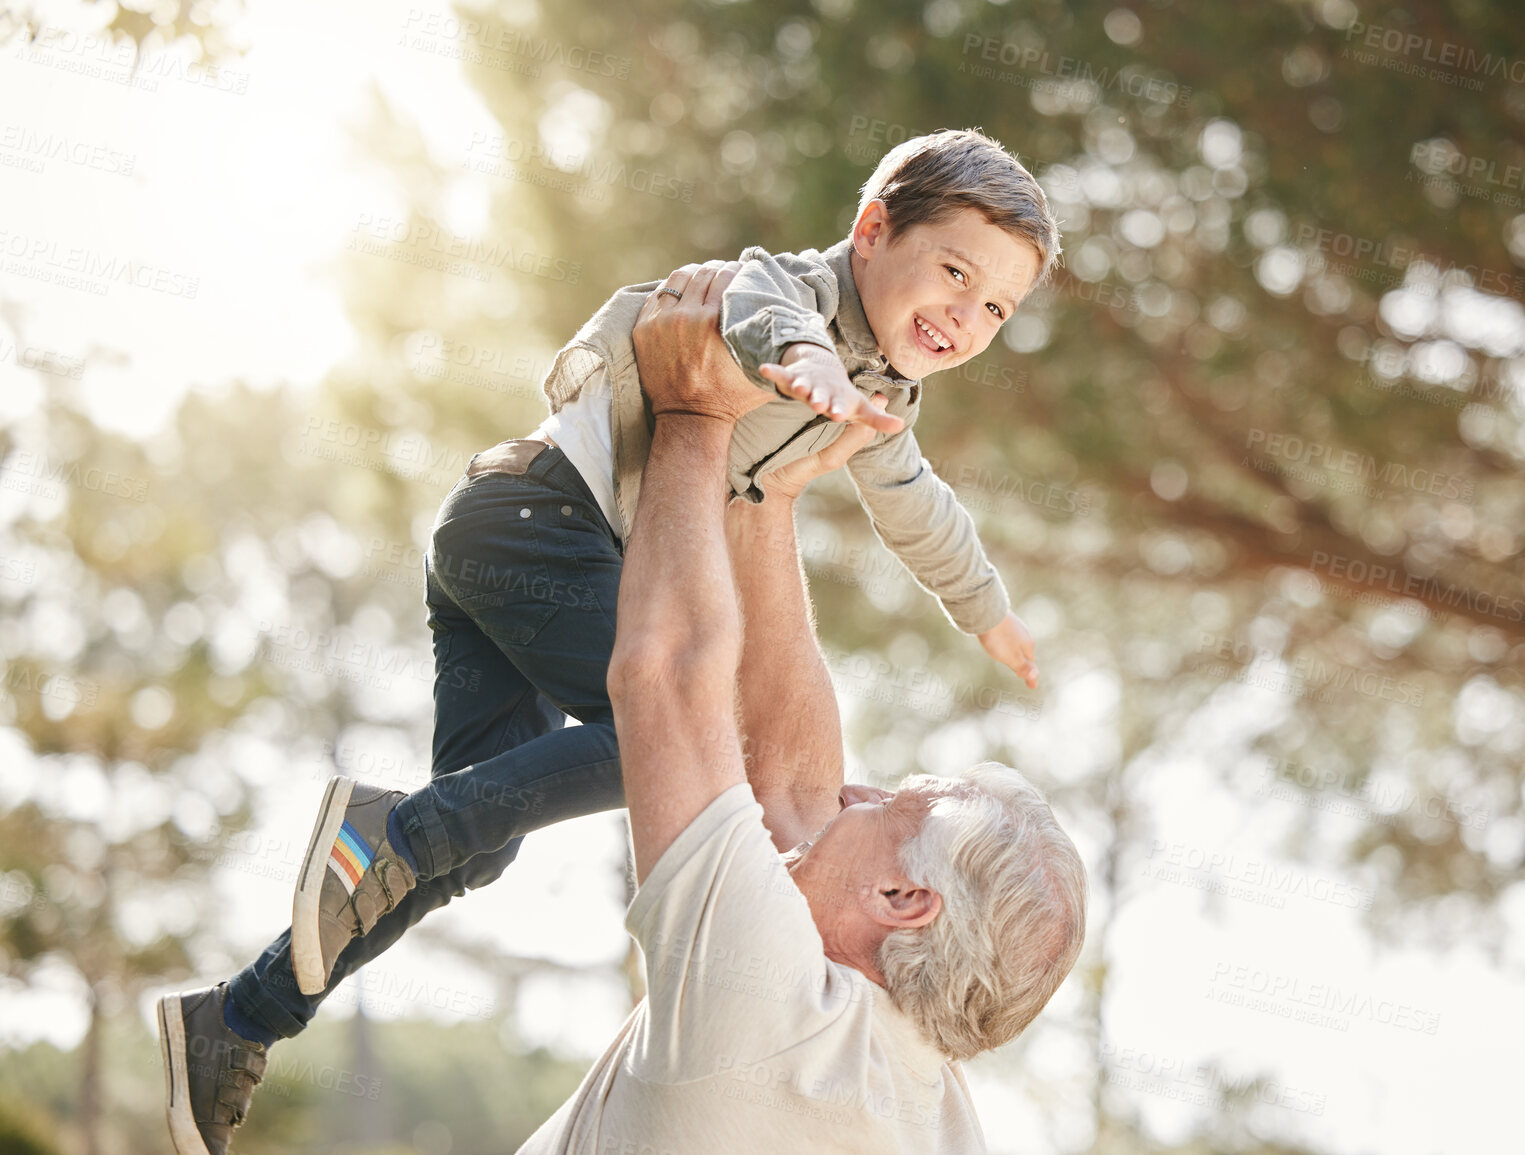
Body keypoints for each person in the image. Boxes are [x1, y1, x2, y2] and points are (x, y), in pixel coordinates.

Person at [156, 126, 1061, 1155]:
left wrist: (985, 608)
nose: (967, 316)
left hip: (531, 556)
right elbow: (760, 320)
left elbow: (917, 505)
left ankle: (236, 1019)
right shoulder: (785, 294)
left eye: (997, 307)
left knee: (481, 847)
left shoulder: (886, 398)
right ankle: (385, 831)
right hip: (536, 525)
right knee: (669, 740)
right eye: (954, 273)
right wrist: (807, 364)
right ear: (871, 233)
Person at [513, 262, 1085, 1153]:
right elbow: (790, 785)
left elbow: (662, 673)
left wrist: (695, 419)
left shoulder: (764, 1009)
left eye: (889, 800)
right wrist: (764, 498)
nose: (854, 789)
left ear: (902, 896)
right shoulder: (923, 1100)